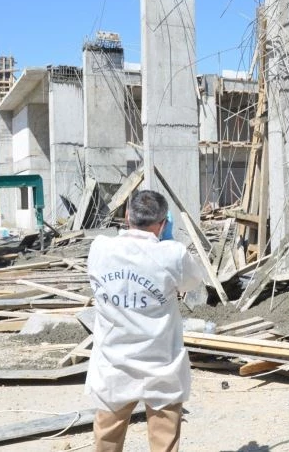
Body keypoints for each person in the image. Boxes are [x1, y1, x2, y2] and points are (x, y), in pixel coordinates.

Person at [85, 190, 205, 452]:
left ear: (127, 216)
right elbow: (193, 282)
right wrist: (169, 243)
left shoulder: (101, 248)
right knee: (164, 442)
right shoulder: (173, 253)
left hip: (113, 363)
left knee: (106, 441)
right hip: (160, 363)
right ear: (163, 223)